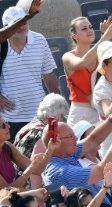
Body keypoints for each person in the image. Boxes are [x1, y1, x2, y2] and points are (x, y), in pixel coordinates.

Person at [0, 6, 58, 141]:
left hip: (41, 115)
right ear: (6, 28)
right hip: (10, 118)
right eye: (16, 24)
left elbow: (48, 73)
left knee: (48, 154)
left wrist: (55, 102)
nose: (22, 27)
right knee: (14, 158)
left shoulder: (40, 40)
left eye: (24, 22)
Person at [63, 17, 112, 126]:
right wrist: (105, 36)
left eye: (90, 27)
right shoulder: (67, 56)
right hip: (80, 114)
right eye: (84, 28)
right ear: (74, 35)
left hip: (102, 110)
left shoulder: (100, 51)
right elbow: (82, 63)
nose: (89, 30)